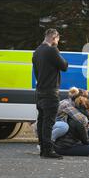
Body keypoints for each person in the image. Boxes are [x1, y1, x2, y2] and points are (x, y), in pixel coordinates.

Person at [32, 28, 68, 159]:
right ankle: (48, 151)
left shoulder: (37, 51)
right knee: (48, 123)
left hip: (39, 91)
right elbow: (64, 66)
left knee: (42, 121)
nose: (58, 42)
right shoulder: (52, 50)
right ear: (54, 38)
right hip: (50, 92)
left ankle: (43, 149)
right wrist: (56, 50)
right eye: (58, 39)